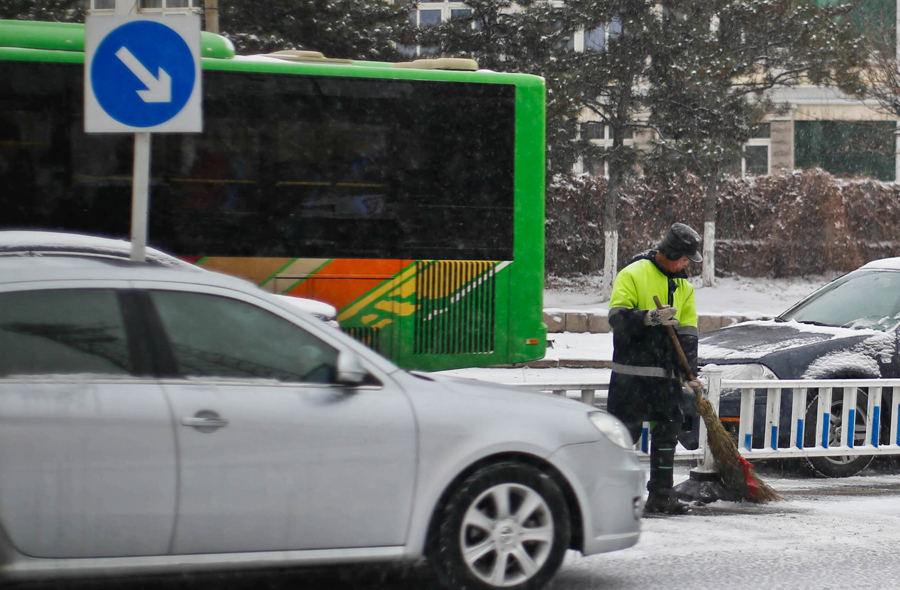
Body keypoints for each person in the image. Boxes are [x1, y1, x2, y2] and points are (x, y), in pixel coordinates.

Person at [607, 222, 704, 515]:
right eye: (685, 258)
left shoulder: (684, 287)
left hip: (665, 379)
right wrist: (648, 318)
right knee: (622, 438)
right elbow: (617, 319)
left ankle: (662, 496)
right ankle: (610, 498)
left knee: (666, 436)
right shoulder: (633, 274)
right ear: (671, 253)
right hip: (631, 376)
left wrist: (690, 373)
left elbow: (688, 332)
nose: (687, 264)